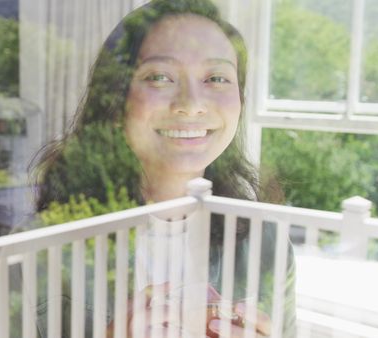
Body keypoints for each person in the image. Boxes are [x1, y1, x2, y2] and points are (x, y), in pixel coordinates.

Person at [27, 0, 296, 337]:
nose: (191, 105)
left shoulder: (266, 240)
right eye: (159, 77)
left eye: (216, 78)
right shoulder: (40, 249)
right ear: (114, 96)